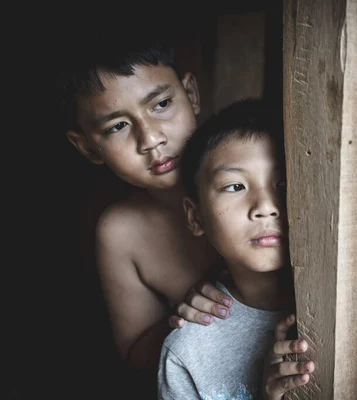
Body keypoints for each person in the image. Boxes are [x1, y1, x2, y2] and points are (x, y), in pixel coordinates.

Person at [55, 34, 235, 390]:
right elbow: (134, 351)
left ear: (192, 95)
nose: (150, 138)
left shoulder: (258, 169)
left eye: (161, 104)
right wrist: (183, 318)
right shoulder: (121, 232)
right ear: (88, 148)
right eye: (118, 126)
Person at [158, 99, 314, 399]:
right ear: (196, 216)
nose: (265, 207)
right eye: (235, 186)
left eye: (283, 183)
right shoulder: (189, 351)